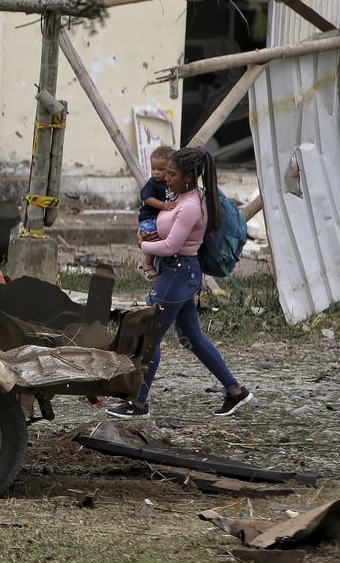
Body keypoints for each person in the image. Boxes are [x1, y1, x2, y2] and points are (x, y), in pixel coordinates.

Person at [107, 146, 253, 419]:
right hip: (181, 274)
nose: (166, 178)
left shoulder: (188, 206)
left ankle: (138, 404)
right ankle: (235, 391)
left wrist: (143, 244)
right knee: (192, 338)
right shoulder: (187, 196)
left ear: (187, 176)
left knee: (149, 337)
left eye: (172, 174)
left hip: (178, 273)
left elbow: (174, 244)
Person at [137, 145, 176, 281]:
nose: (155, 173)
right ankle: (147, 264)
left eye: (161, 169)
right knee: (152, 238)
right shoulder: (152, 183)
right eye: (153, 169)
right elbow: (146, 198)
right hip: (150, 217)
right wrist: (163, 205)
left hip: (161, 217)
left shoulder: (171, 184)